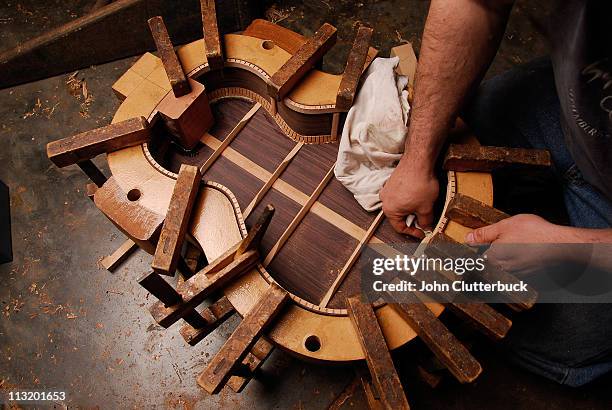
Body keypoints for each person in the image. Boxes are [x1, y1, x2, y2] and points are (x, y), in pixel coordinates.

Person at [380, 0, 612, 386]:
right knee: (464, 131)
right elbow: (474, 4)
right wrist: (417, 159)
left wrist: (568, 244)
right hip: (583, 110)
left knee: (549, 330)